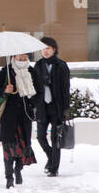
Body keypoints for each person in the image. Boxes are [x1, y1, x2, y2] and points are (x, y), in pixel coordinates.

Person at [0, 53, 38, 189]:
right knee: (8, 148)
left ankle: (18, 170)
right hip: (9, 117)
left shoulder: (32, 72)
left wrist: (31, 104)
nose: (22, 60)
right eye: (19, 57)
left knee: (23, 147)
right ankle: (9, 176)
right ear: (14, 57)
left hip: (25, 116)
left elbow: (39, 92)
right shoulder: (6, 71)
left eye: (24, 57)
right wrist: (5, 90)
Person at [31, 36, 72, 177]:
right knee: (41, 137)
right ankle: (51, 158)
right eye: (43, 48)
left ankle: (54, 168)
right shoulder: (38, 65)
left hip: (57, 107)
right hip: (42, 107)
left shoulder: (61, 65)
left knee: (56, 139)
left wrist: (66, 108)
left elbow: (66, 88)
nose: (45, 51)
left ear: (54, 49)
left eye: (48, 48)